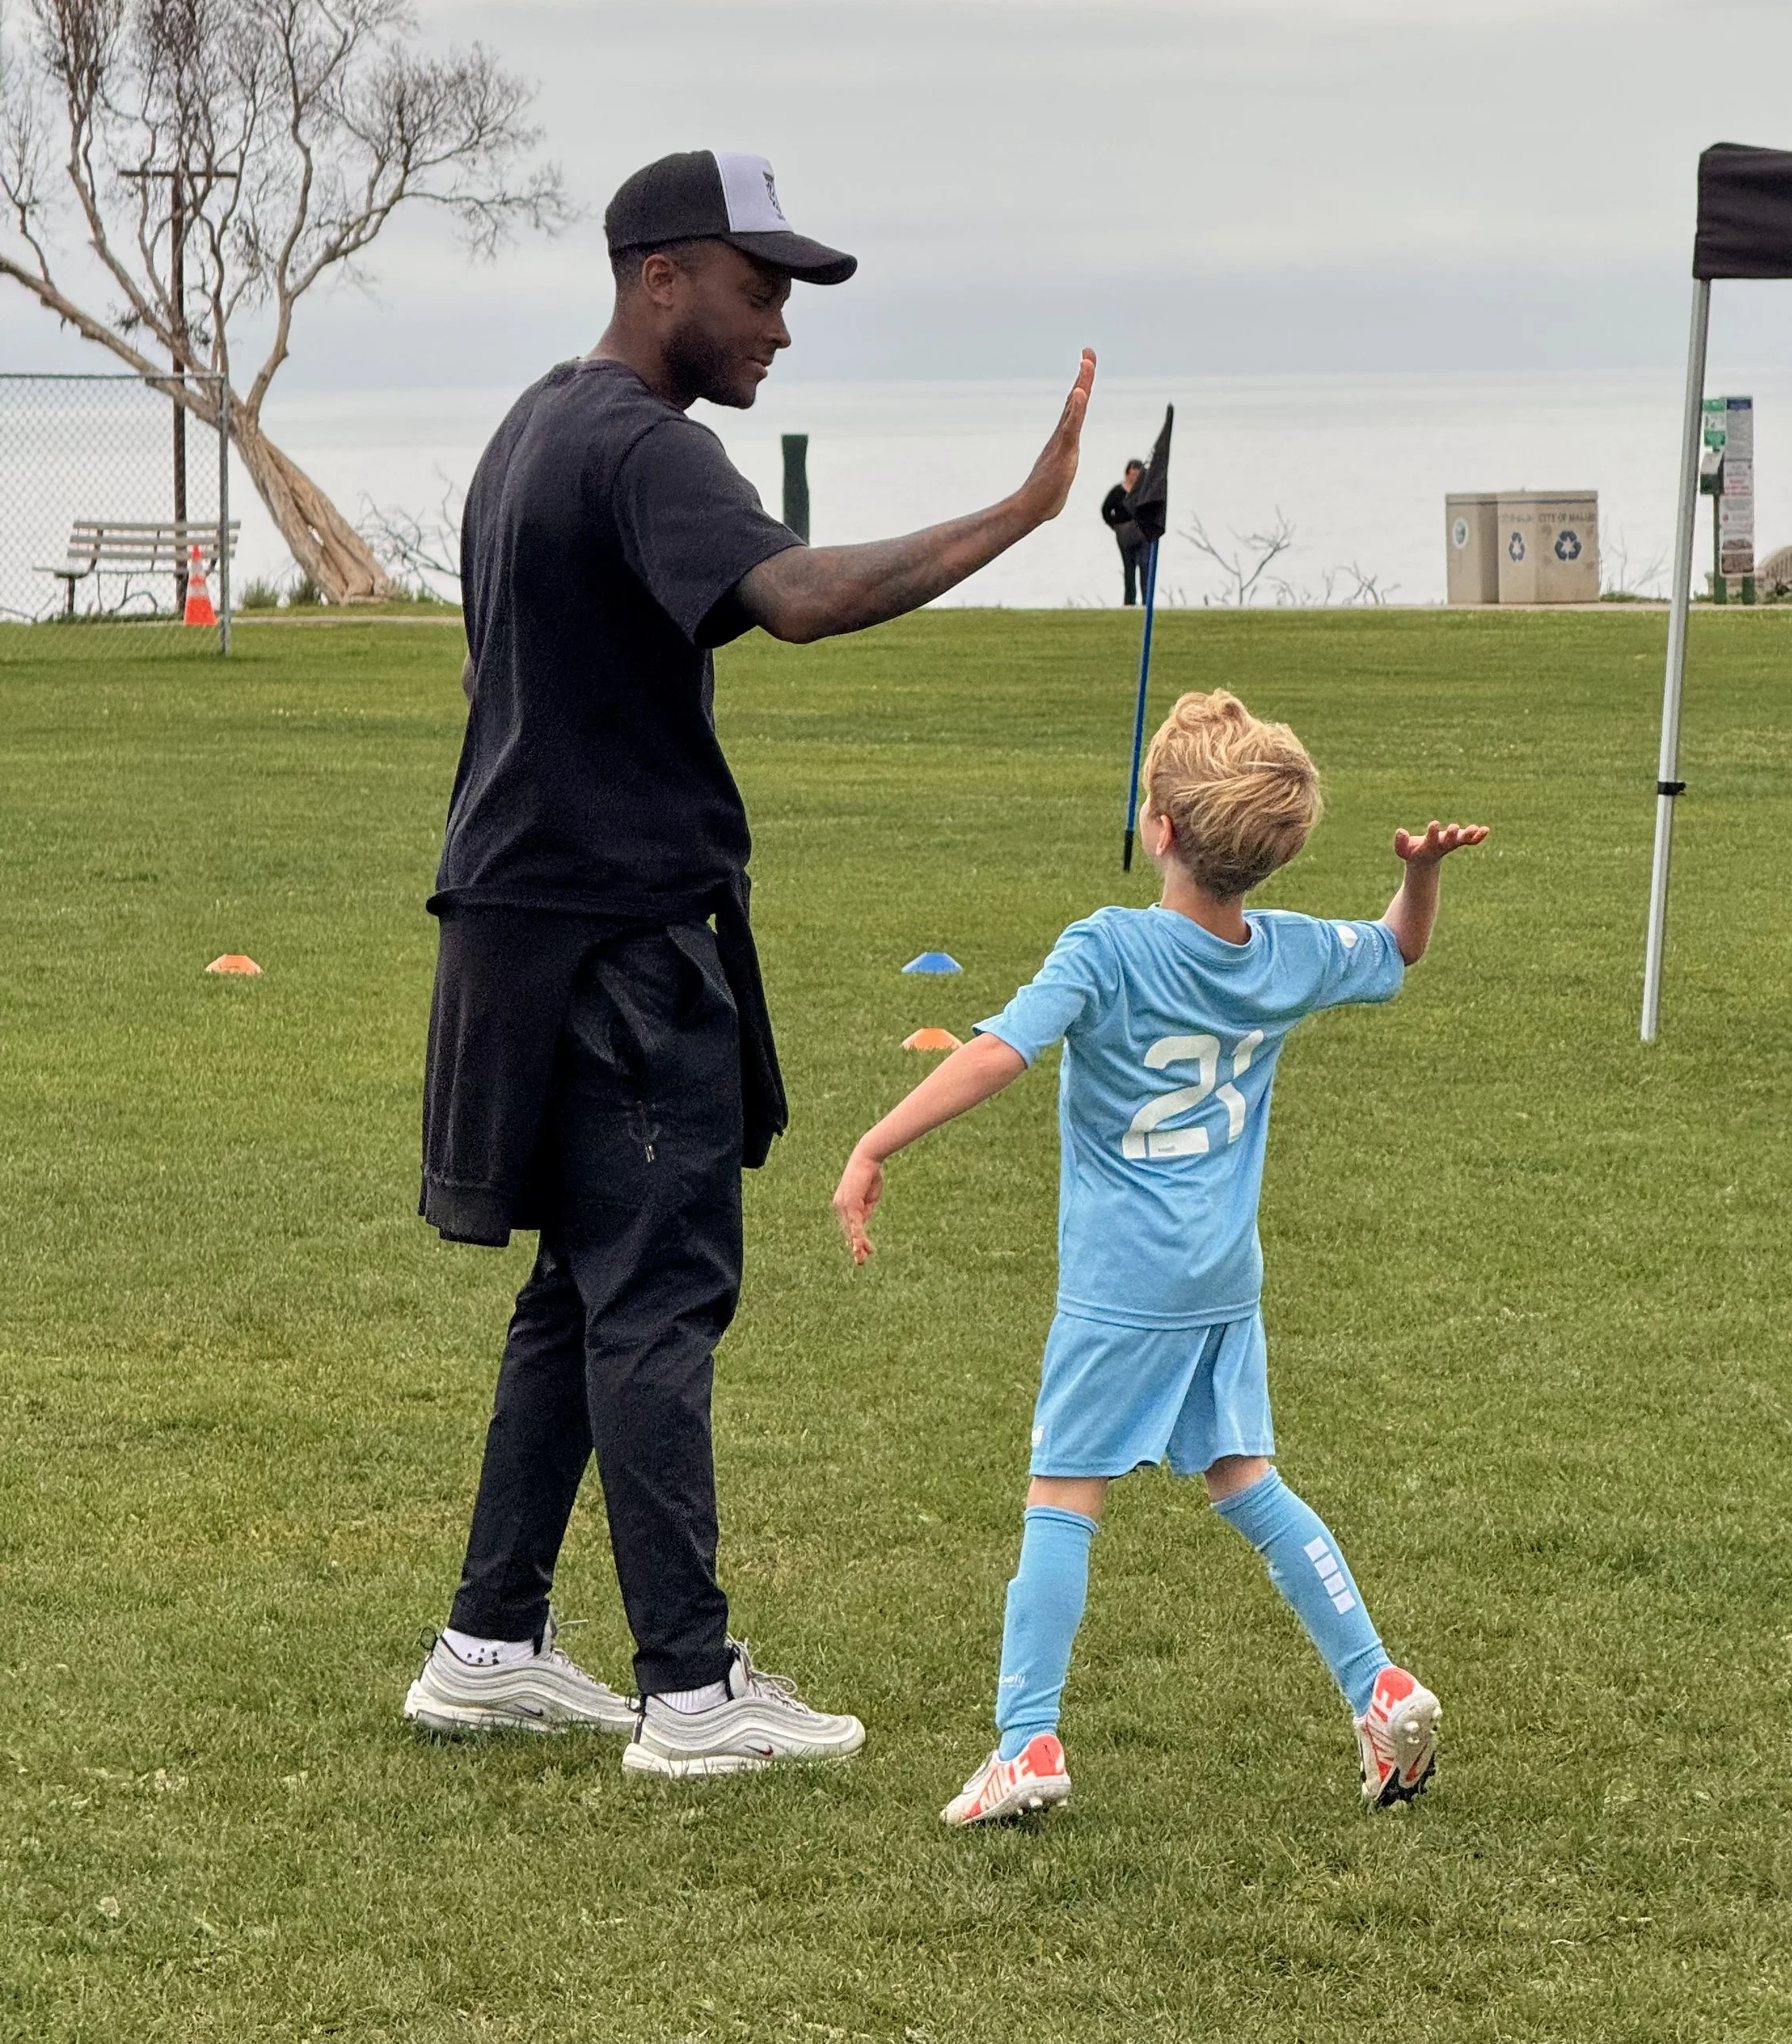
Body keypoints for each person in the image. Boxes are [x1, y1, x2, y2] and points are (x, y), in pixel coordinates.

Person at [403, 146, 1095, 1782]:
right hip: (618, 948)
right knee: (651, 1294)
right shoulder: (640, 446)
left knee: (578, 1286)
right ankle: (691, 1692)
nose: (779, 321)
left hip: (523, 928)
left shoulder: (531, 425)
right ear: (661, 276)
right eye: (757, 282)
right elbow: (799, 595)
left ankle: (488, 1643)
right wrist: (1023, 508)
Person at [831, 689, 1488, 1824]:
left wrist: (876, 1139)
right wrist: (1420, 868)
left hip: (1123, 1284)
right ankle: (1379, 1686)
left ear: (1161, 831)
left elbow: (998, 1052)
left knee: (1062, 1492)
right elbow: (1399, 947)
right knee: (1244, 1477)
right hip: (1223, 1279)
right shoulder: (1287, 953)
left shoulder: (1109, 946)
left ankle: (1026, 1745)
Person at [1100, 458, 1148, 606]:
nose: (1134, 478)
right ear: (1127, 474)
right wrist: (1115, 525)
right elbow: (1106, 510)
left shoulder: (1145, 491)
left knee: (1145, 565)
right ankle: (1129, 602)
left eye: (1138, 475)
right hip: (1125, 534)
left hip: (1143, 533)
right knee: (1129, 567)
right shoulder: (1117, 492)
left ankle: (1146, 601)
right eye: (1132, 475)